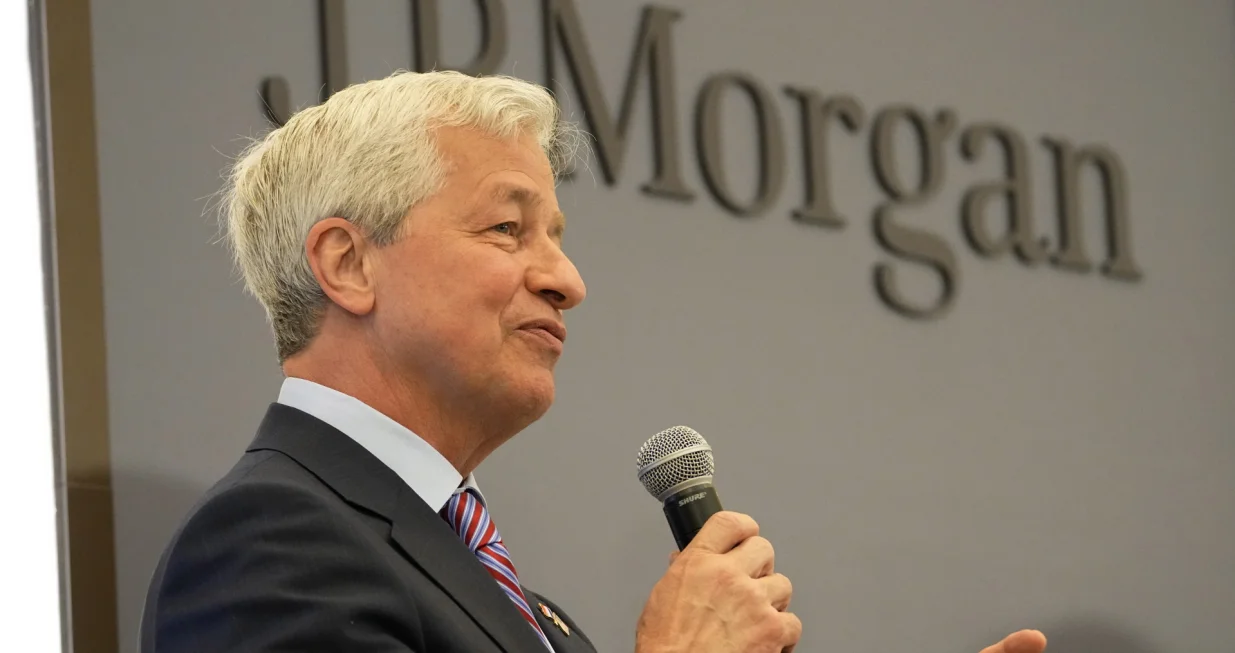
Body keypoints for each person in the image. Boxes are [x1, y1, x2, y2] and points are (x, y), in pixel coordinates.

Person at [139, 70, 1049, 653]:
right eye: (507, 228)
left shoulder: (523, 610)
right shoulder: (267, 545)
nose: (567, 279)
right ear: (349, 262)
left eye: (557, 237)